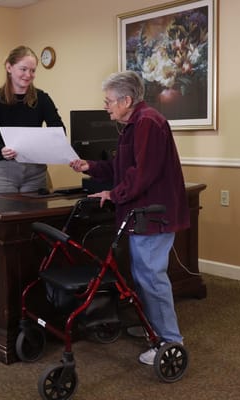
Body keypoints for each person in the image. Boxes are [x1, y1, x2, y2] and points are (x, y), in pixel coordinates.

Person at [69, 70, 190, 365]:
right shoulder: (134, 125)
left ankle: (170, 341)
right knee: (143, 276)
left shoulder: (148, 123)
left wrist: (114, 194)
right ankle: (155, 330)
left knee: (151, 278)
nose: (106, 106)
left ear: (126, 100)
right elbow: (121, 167)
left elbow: (142, 174)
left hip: (153, 215)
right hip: (143, 215)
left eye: (109, 101)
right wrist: (91, 166)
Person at [0, 45, 64, 194]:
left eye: (33, 70)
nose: (28, 75)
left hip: (35, 172)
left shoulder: (42, 98)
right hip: (3, 172)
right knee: (5, 215)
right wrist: (2, 150)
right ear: (9, 67)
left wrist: (44, 142)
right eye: (23, 69)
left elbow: (59, 129)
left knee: (35, 217)